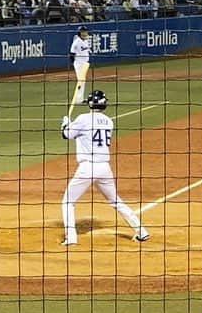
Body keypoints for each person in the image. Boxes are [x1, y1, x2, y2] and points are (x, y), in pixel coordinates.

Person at [59, 90, 150, 246]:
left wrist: (66, 124)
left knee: (68, 202)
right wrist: (70, 125)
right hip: (104, 168)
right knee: (115, 201)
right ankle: (141, 231)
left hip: (87, 168)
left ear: (89, 103)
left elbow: (66, 135)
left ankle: (71, 238)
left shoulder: (83, 119)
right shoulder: (109, 121)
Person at [69, 25, 92, 105]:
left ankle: (80, 98)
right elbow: (71, 54)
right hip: (79, 63)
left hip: (85, 63)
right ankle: (78, 99)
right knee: (81, 80)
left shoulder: (85, 41)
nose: (85, 33)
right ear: (79, 33)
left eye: (85, 31)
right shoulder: (76, 42)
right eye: (83, 32)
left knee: (83, 80)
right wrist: (75, 64)